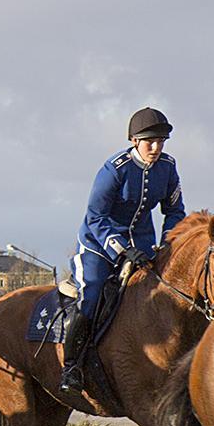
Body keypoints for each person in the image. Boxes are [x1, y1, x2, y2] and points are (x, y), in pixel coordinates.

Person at [60, 107, 185, 394]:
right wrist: (124, 249)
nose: (156, 147)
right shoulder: (113, 170)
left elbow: (175, 211)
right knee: (91, 295)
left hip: (143, 245)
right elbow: (96, 217)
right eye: (149, 141)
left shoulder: (167, 167)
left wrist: (167, 245)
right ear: (134, 140)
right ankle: (72, 367)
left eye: (161, 141)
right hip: (98, 246)